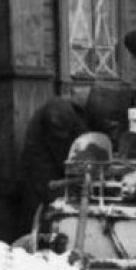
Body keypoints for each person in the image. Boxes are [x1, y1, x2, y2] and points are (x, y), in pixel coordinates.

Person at [18, 95, 90, 227]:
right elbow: (41, 173)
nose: (65, 135)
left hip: (69, 169)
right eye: (60, 133)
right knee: (40, 212)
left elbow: (85, 148)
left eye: (67, 132)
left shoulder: (76, 119)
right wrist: (58, 196)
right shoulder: (36, 133)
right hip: (41, 177)